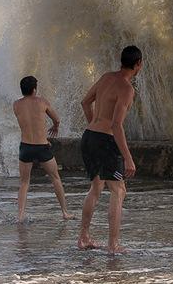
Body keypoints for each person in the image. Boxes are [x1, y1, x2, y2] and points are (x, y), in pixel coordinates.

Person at [77, 45, 142, 255]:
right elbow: (116, 125)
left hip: (88, 137)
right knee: (118, 190)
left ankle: (84, 237)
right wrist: (128, 158)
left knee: (96, 188)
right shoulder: (127, 89)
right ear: (138, 65)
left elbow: (85, 102)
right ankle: (113, 245)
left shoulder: (106, 77)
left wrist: (94, 128)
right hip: (104, 141)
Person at [13, 75, 73, 223]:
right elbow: (56, 119)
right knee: (55, 178)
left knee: (24, 182)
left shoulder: (16, 104)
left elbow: (27, 122)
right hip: (42, 147)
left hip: (26, 147)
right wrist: (55, 127)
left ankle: (20, 215)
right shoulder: (42, 102)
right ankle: (65, 212)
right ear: (35, 89)